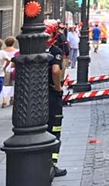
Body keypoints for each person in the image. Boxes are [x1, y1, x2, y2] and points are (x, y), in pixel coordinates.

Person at [46, 23, 68, 179]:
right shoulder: (55, 52)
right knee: (54, 130)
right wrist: (58, 87)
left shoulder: (31, 49)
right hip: (52, 96)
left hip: (35, 98)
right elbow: (55, 71)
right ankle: (52, 164)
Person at [0, 36, 19, 107]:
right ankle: (12, 98)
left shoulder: (2, 52)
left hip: (4, 70)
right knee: (13, 85)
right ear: (13, 43)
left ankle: (4, 100)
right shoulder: (17, 51)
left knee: (5, 85)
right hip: (13, 70)